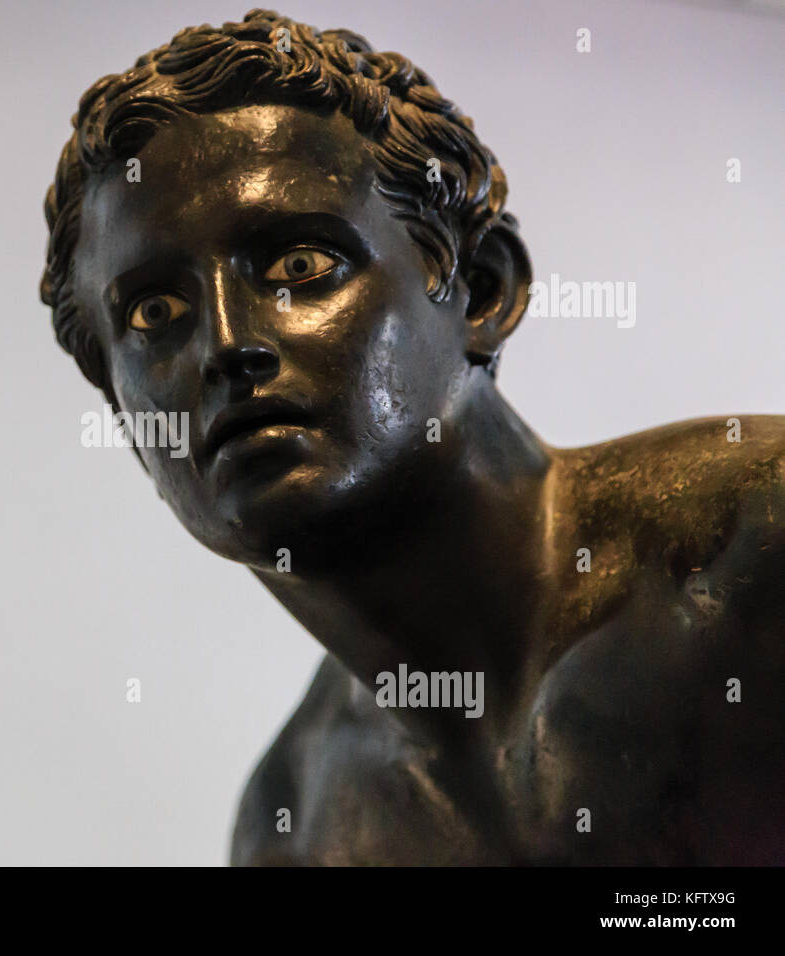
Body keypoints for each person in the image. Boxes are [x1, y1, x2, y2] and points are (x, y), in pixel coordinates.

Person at [40, 9, 785, 864]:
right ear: (130, 423)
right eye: (155, 314)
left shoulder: (755, 549)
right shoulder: (298, 831)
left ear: (481, 292)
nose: (224, 346)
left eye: (298, 267)